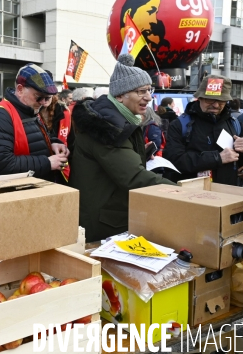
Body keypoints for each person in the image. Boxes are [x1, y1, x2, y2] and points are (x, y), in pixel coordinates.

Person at [69, 54, 175, 242]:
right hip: (103, 223)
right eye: (141, 92)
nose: (149, 97)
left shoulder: (114, 120)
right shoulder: (106, 128)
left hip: (108, 215)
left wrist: (140, 152)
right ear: (119, 95)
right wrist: (182, 193)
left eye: (149, 90)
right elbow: (133, 176)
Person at [0, 63, 68, 182]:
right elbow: (4, 164)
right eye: (39, 97)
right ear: (20, 90)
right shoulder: (0, 116)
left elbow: (32, 139)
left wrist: (52, 143)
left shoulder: (29, 109)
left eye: (48, 98)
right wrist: (47, 162)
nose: (43, 102)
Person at [163, 75, 243, 185]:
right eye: (210, 100)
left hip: (226, 194)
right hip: (190, 195)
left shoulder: (234, 124)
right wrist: (217, 158)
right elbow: (173, 160)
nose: (216, 105)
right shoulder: (180, 124)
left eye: (221, 101)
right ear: (200, 98)